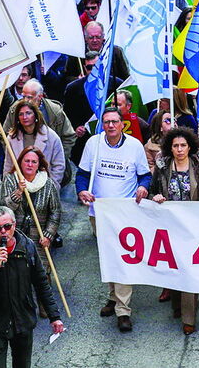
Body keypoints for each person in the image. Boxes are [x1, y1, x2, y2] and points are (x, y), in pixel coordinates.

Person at [75, 107, 151, 332]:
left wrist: (143, 188)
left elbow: (145, 175)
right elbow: (82, 174)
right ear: (102, 124)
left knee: (123, 259)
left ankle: (123, 310)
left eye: (114, 122)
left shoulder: (135, 146)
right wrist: (81, 191)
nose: (110, 126)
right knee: (108, 257)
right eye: (106, 122)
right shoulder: (93, 144)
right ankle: (113, 297)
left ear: (122, 123)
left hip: (125, 212)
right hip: (100, 212)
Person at [148, 128, 199, 335]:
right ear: (170, 148)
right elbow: (152, 191)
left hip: (194, 228)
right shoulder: (162, 168)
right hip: (169, 227)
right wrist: (155, 197)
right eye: (175, 146)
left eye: (183, 146)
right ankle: (177, 305)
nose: (179, 149)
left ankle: (189, 318)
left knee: (190, 269)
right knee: (174, 267)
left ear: (190, 147)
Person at [0, 206, 64, 368]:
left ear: (14, 224)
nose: (3, 231)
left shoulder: (27, 246)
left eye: (7, 226)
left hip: (22, 320)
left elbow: (41, 283)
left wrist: (54, 316)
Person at [0, 147, 62, 296]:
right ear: (20, 162)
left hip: (39, 235)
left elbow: (55, 212)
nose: (30, 164)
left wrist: (48, 235)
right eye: (26, 161)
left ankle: (44, 303)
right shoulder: (10, 180)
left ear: (39, 164)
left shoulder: (48, 183)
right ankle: (21, 304)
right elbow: (3, 209)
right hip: (15, 233)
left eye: (34, 162)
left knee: (42, 271)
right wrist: (18, 192)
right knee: (17, 270)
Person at [4, 101, 65, 189]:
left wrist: (52, 187)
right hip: (19, 187)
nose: (24, 117)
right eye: (21, 114)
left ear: (35, 115)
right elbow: (8, 165)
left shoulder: (51, 136)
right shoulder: (12, 138)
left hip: (44, 188)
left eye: (28, 113)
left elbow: (59, 165)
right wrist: (8, 186)